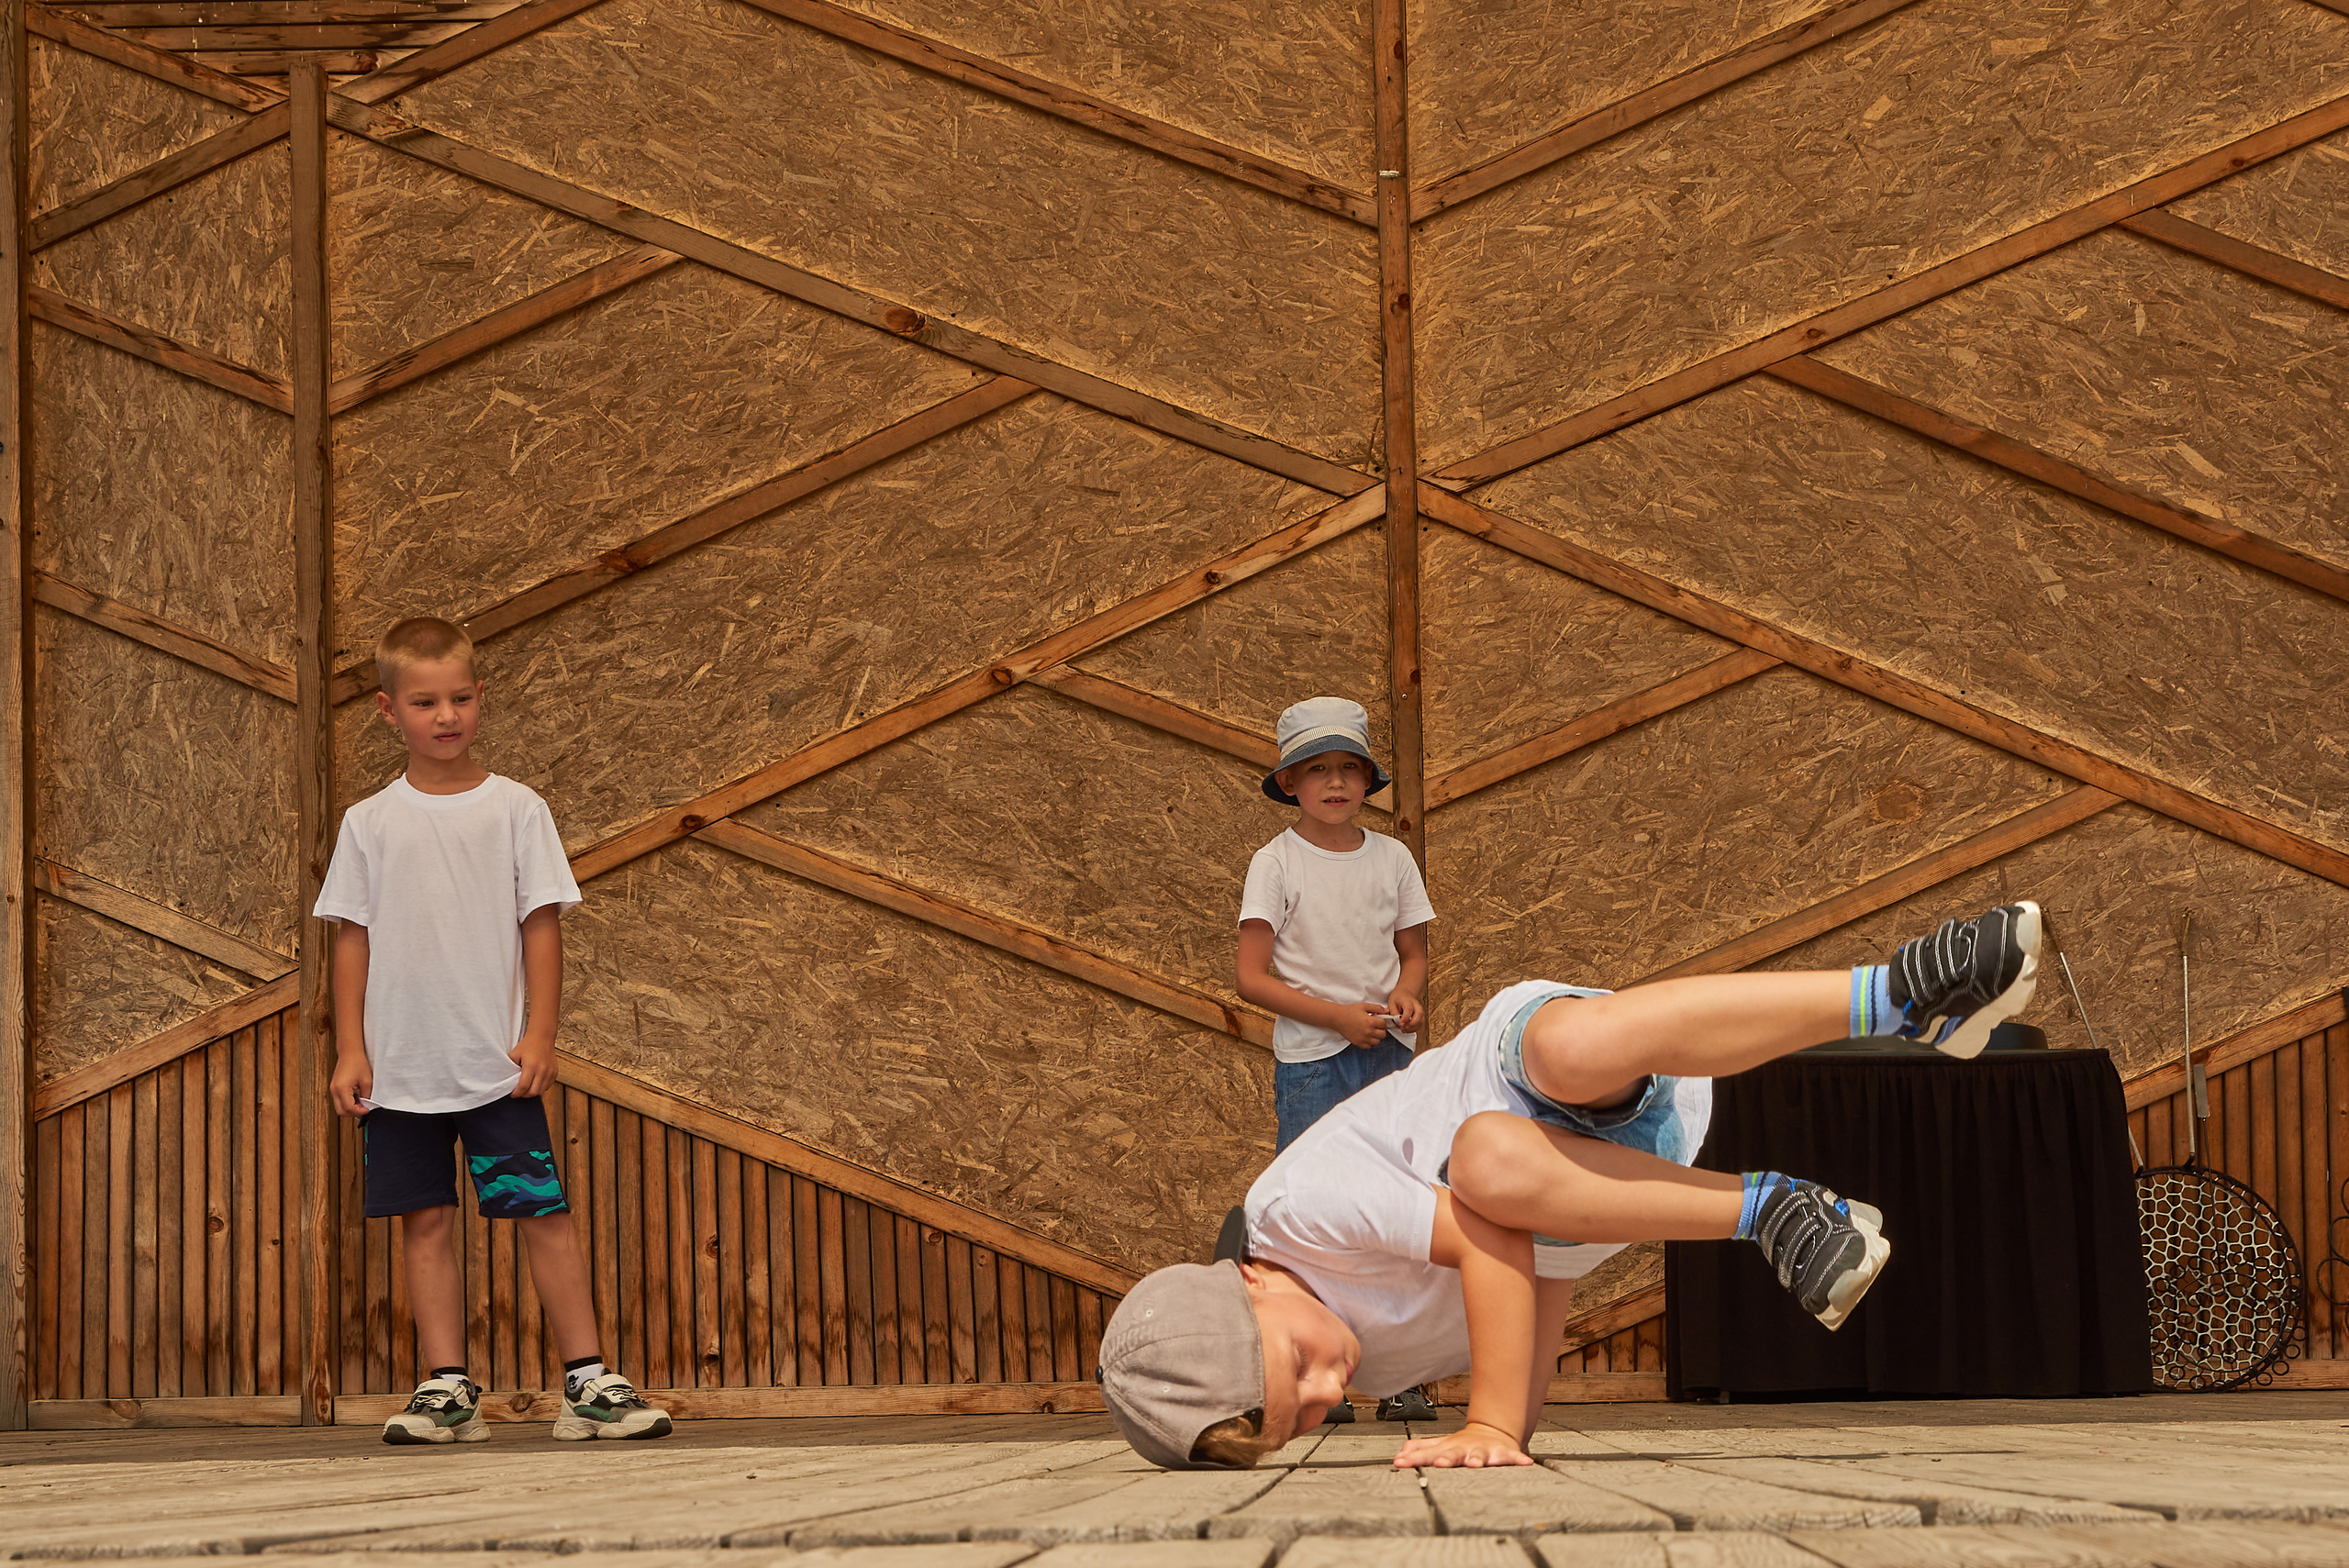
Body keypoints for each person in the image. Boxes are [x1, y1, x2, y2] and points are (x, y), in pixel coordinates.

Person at [1098, 901, 2043, 1471]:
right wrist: (1507, 1430)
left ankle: (1900, 997)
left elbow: (1488, 1236)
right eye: (1300, 1417)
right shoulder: (1371, 1363)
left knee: (1510, 1126)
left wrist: (1492, 1419)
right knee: (1499, 1180)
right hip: (1585, 1182)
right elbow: (1537, 1275)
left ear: (1250, 1282)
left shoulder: (1291, 1215)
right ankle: (1775, 1208)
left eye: (1293, 1366)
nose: (1327, 1387)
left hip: (1518, 1077)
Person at [317, 617, 674, 1445]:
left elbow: (540, 923)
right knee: (426, 1220)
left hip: (495, 1066)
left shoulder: (517, 808)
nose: (446, 715)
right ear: (388, 710)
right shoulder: (368, 822)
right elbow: (351, 936)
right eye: (425, 701)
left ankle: (588, 1382)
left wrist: (539, 1034)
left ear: (482, 698)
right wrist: (352, 1046)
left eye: (460, 698)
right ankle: (447, 1390)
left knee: (541, 1211)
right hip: (401, 1070)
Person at [1235, 696, 1436, 1423]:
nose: (1335, 782)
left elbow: (1412, 956)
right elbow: (1251, 976)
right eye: (1317, 769)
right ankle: (1317, 1372)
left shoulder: (1393, 857)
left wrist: (1404, 999)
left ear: (1367, 780)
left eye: (1349, 768)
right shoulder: (1275, 862)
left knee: (1402, 1205)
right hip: (1315, 1061)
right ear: (1288, 782)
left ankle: (1402, 1375)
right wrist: (1337, 1019)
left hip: (1388, 1056)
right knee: (1311, 1213)